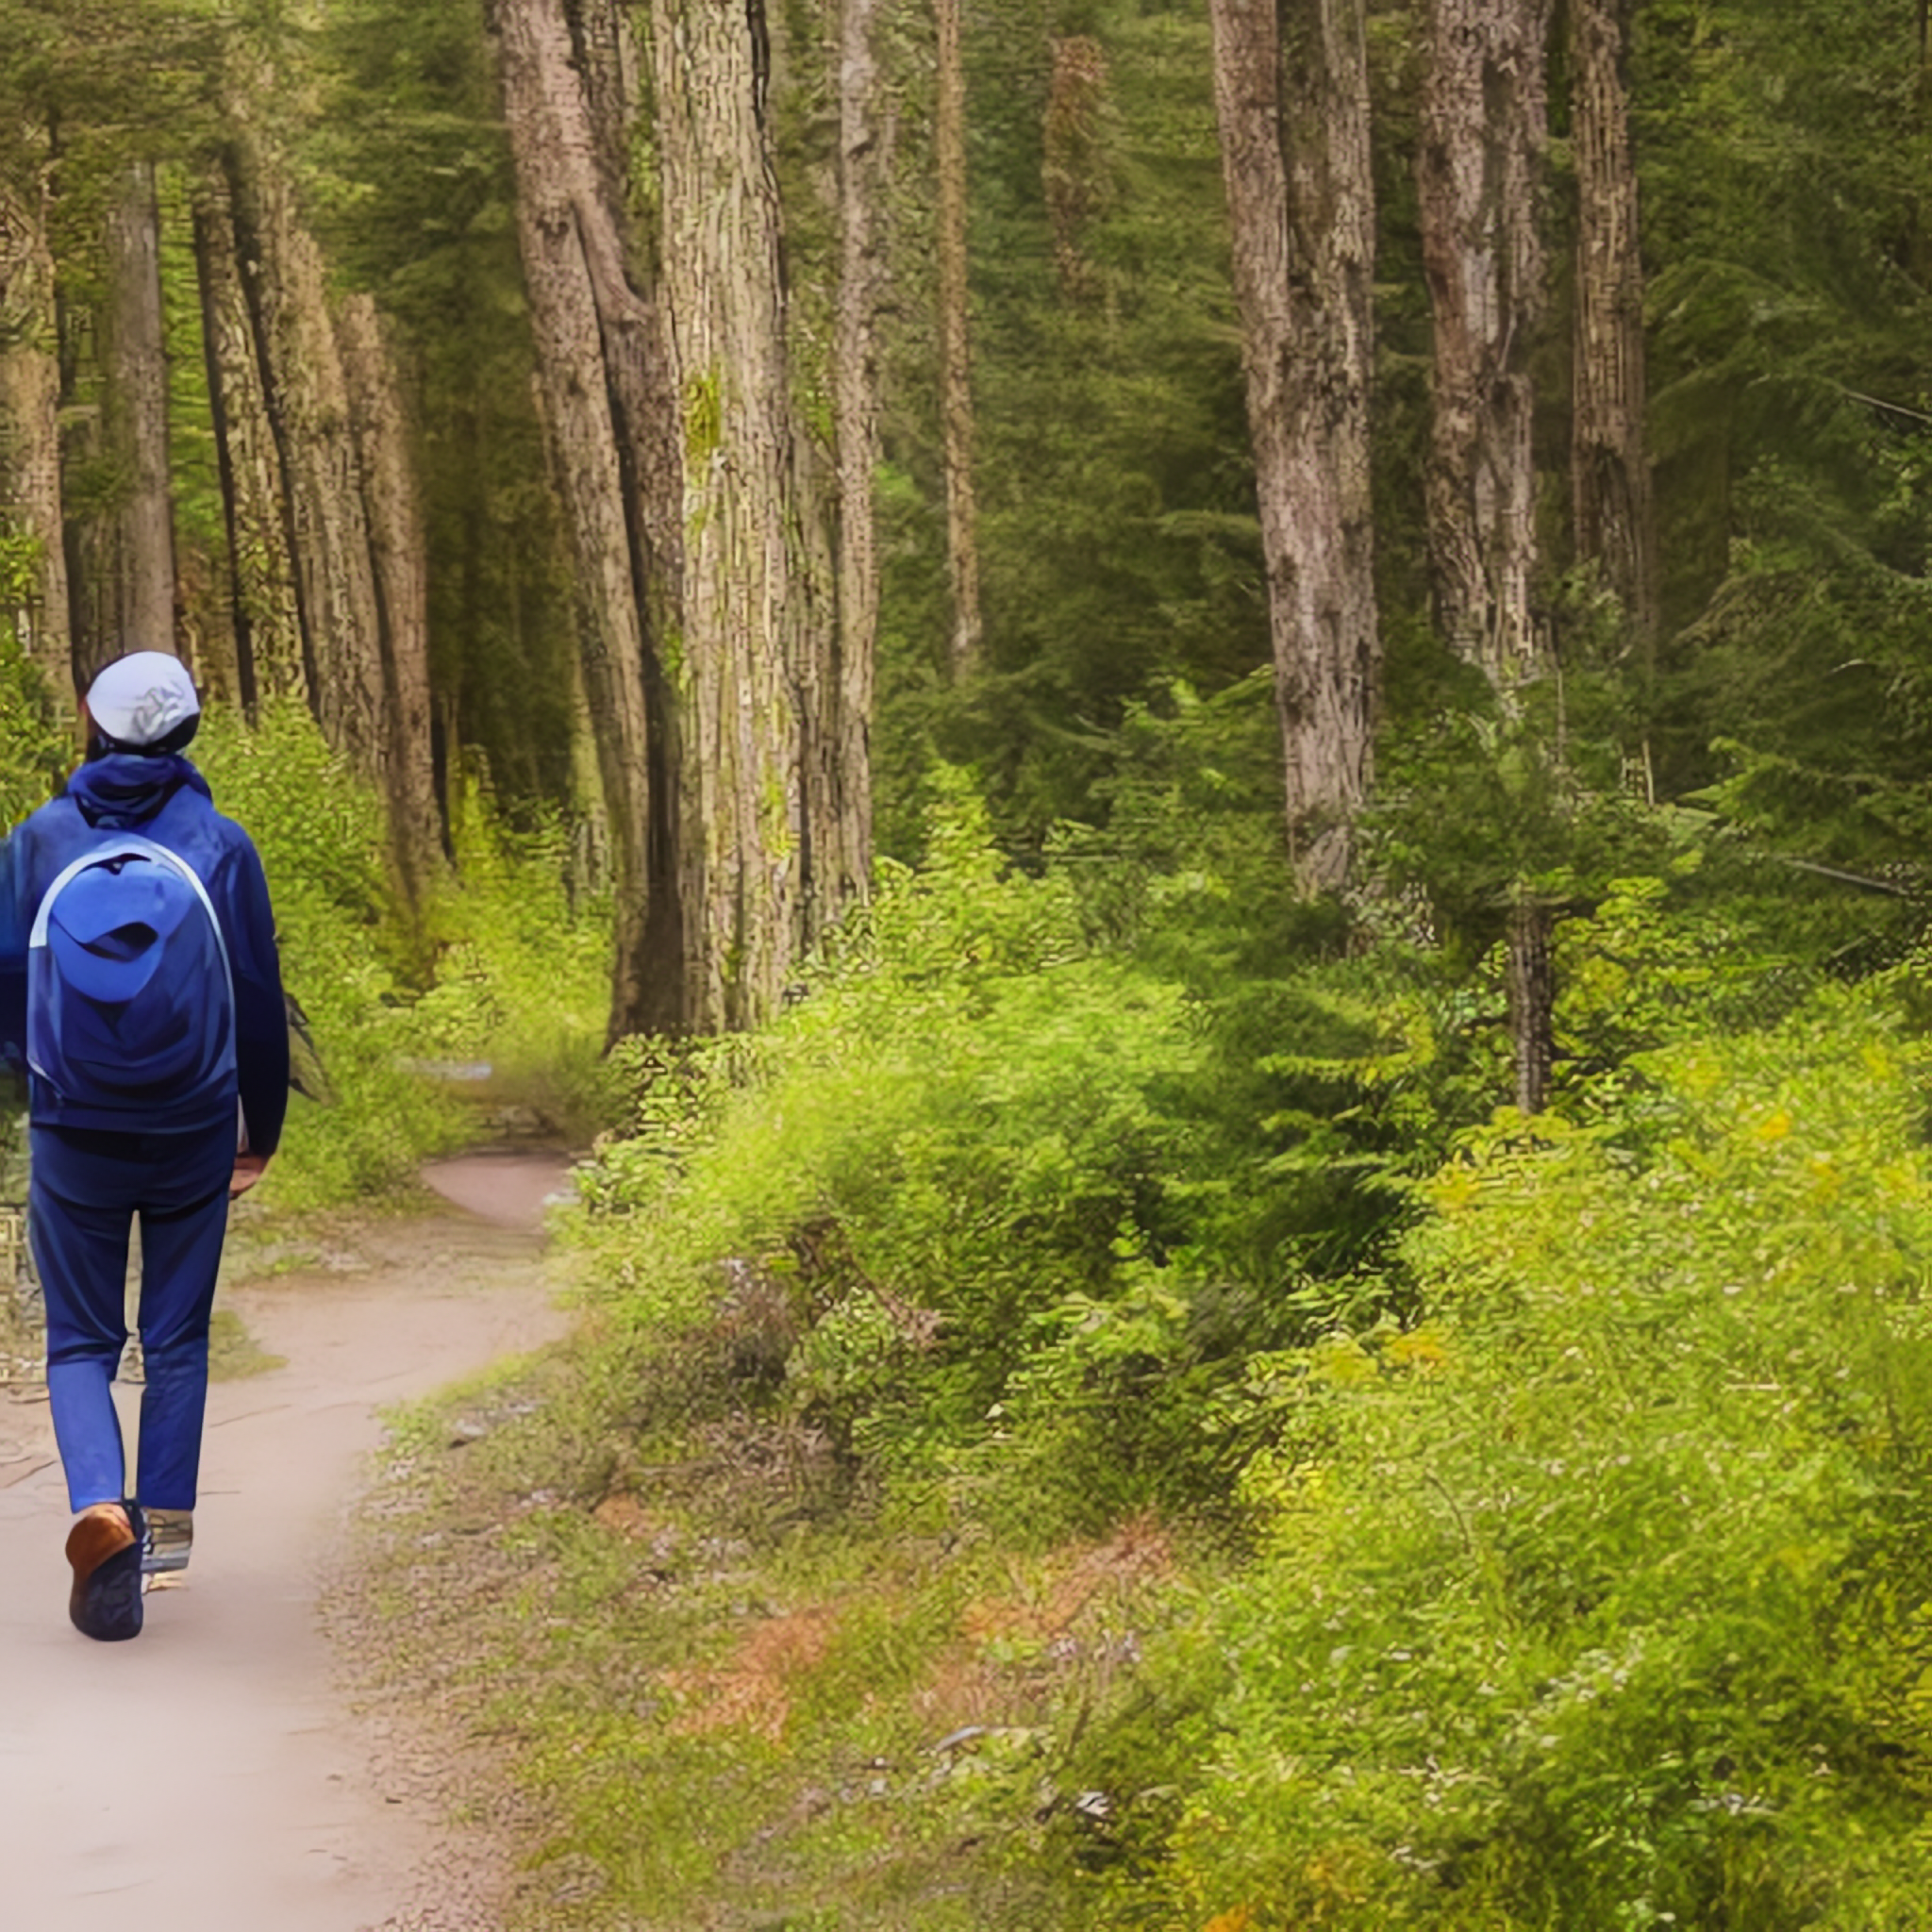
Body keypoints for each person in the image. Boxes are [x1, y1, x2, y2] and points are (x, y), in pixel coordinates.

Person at [0, 652, 287, 1641]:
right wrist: (260, 1132)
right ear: (188, 732)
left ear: (92, 720)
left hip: (73, 1124)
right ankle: (161, 1541)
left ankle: (98, 1505)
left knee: (78, 1338)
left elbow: (5, 983)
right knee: (177, 1335)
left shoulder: (37, 840)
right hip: (194, 1122)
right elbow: (255, 1000)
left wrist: (33, 1081)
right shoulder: (221, 843)